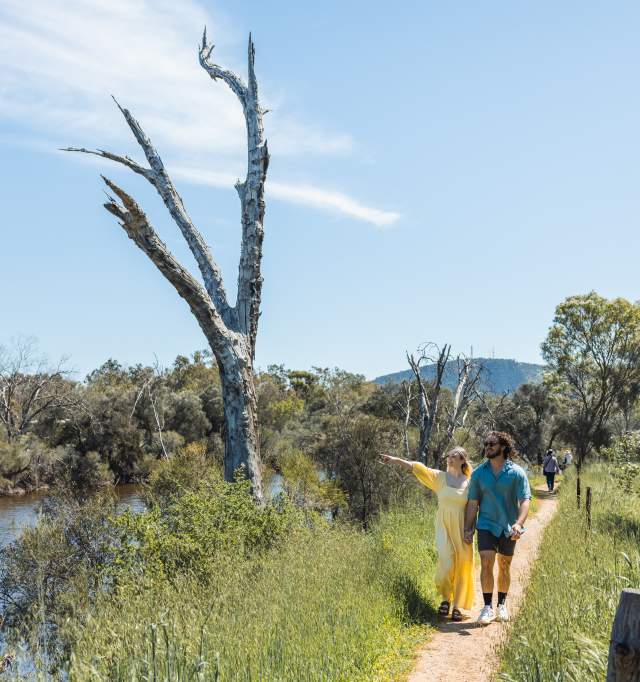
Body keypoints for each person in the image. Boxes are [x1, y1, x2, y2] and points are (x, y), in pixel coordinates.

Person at [381, 447, 475, 621]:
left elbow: (473, 506)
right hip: (444, 526)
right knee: (446, 560)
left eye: (454, 456)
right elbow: (417, 467)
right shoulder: (439, 478)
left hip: (463, 528)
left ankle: (457, 606)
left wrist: (470, 529)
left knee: (463, 564)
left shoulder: (470, 482)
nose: (450, 459)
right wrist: (395, 460)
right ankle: (446, 598)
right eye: (449, 456)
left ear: (463, 460)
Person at [464, 431, 531, 626]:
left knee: (504, 565)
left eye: (491, 444)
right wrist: (469, 528)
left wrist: (519, 524)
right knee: (486, 563)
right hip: (485, 525)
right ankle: (487, 607)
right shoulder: (478, 473)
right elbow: (473, 502)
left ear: (503, 446)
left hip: (509, 527)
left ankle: (502, 604)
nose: (487, 448)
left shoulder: (517, 472)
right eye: (486, 444)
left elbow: (525, 500)